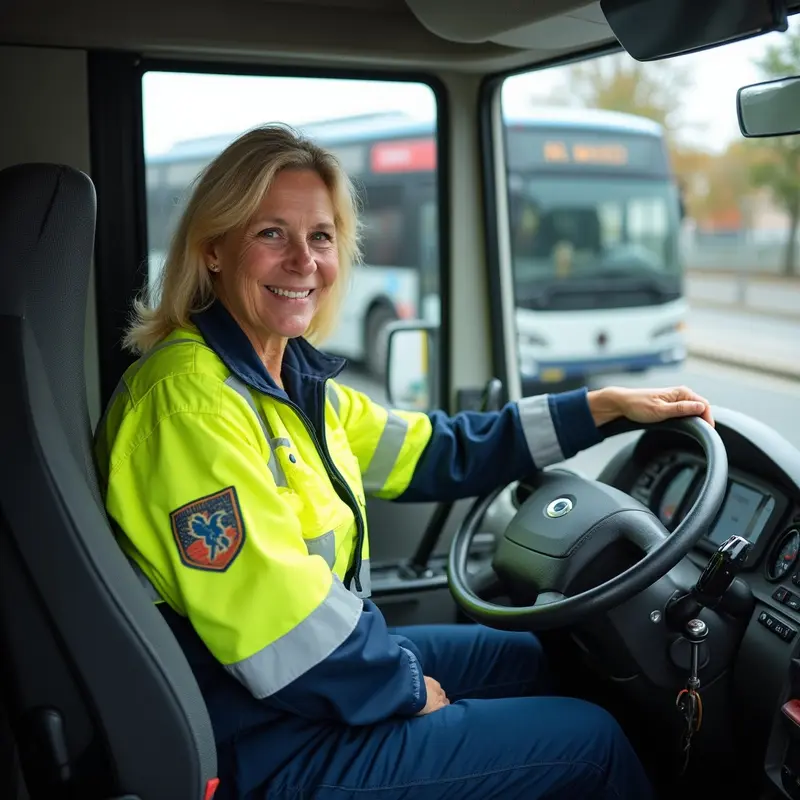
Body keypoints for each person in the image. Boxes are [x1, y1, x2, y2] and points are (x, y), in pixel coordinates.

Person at [94, 123, 714, 800]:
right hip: (259, 734)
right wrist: (406, 688)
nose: (304, 261)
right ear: (213, 249)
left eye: (321, 237)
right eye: (272, 233)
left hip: (292, 692)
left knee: (536, 660)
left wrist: (598, 409)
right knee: (591, 743)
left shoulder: (291, 383)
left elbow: (438, 449)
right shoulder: (189, 404)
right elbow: (279, 626)